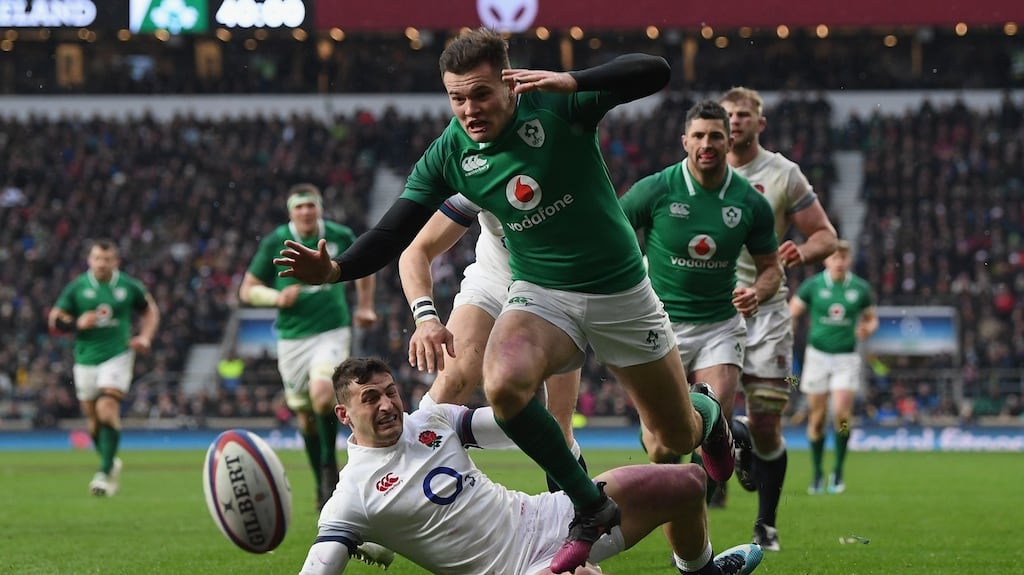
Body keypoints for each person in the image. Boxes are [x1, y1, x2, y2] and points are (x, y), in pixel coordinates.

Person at [275, 28, 735, 573]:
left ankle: (706, 409)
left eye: (481, 94)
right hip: (541, 293)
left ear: (509, 84)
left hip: (621, 292)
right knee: (504, 384)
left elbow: (655, 68)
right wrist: (336, 269)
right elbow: (395, 234)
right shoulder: (451, 151)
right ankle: (589, 504)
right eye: (457, 98)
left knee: (674, 435)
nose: (469, 110)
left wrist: (575, 80)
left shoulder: (556, 105)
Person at [297, 357, 763, 575]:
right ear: (344, 415)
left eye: (390, 392)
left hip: (550, 516)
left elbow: (513, 424)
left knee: (687, 483)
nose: (386, 405)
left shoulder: (432, 420)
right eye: (369, 398)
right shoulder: (350, 495)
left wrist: (533, 367)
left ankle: (701, 573)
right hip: (512, 572)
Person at [619, 99, 782, 493]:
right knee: (661, 448)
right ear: (684, 142)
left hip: (719, 326)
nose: (706, 143)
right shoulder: (656, 190)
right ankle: (720, 448)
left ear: (729, 143)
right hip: (658, 325)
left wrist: (757, 292)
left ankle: (712, 469)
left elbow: (771, 268)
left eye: (715, 136)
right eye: (698, 136)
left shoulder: (749, 202)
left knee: (709, 419)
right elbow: (612, 234)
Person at [720, 86, 839, 550]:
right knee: (706, 415)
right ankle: (738, 441)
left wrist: (800, 252)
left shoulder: (782, 173)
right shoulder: (697, 171)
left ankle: (765, 523)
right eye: (728, 114)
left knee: (769, 421)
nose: (735, 122)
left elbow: (826, 237)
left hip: (768, 313)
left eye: (744, 115)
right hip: (709, 311)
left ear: (759, 123)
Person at [398, 202, 587, 492]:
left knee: (557, 427)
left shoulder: (572, 173)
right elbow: (417, 249)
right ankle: (397, 489)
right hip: (492, 280)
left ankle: (583, 517)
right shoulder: (478, 171)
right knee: (451, 383)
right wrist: (425, 318)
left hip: (557, 287)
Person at [239, 183, 378, 508]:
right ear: (291, 212)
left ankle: (330, 465)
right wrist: (275, 297)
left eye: (310, 206)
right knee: (304, 416)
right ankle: (321, 483)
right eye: (299, 207)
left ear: (319, 208)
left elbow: (363, 268)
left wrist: (365, 305)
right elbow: (247, 290)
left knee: (322, 393)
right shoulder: (276, 241)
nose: (305, 212)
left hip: (331, 331)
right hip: (292, 338)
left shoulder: (339, 234)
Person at [48, 238, 160, 496]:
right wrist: (76, 323)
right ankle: (110, 460)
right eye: (97, 258)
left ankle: (103, 472)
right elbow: (55, 320)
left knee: (107, 408)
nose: (101, 263)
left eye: (107, 259)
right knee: (93, 421)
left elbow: (150, 310)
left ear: (115, 261)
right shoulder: (77, 287)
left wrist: (145, 337)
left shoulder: (129, 286)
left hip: (118, 354)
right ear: (89, 260)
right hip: (85, 359)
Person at [789, 240, 877, 495]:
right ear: (826, 260)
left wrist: (867, 328)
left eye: (843, 258)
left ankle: (838, 469)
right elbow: (792, 311)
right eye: (834, 257)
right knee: (816, 420)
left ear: (849, 261)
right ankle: (817, 472)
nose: (839, 262)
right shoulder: (813, 286)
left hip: (846, 359)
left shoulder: (860, 289)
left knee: (841, 416)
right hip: (817, 358)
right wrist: (788, 328)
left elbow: (872, 319)